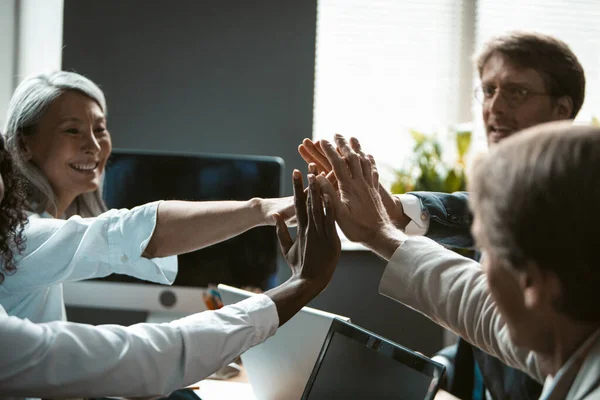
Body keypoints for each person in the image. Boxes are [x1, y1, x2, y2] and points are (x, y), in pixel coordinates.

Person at [299, 31, 585, 399]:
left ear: (562, 109)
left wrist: (382, 232)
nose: (495, 107)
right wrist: (398, 212)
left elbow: (500, 321)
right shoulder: (507, 196)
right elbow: (478, 341)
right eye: (489, 90)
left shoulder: (580, 208)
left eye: (517, 92)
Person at [0, 128, 341, 397]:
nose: (91, 145)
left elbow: (120, 234)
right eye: (71, 130)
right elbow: (143, 358)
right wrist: (302, 284)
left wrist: (260, 210)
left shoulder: (18, 238)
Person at [315, 127, 599, 399]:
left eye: (486, 251)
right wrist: (378, 233)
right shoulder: (571, 337)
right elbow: (477, 303)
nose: (480, 270)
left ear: (531, 282)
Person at [1, 71, 295, 323]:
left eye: (100, 129)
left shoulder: (41, 229)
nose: (93, 145)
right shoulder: (19, 237)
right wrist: (261, 209)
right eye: (72, 130)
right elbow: (132, 233)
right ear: (25, 144)